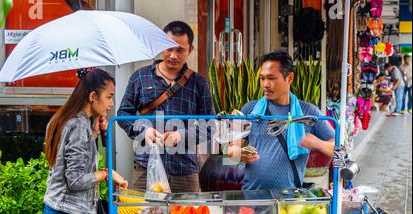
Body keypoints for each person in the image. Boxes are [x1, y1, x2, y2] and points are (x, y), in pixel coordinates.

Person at [43, 68, 128, 214]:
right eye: (108, 97)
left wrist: (97, 132)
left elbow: (68, 161)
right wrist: (106, 174)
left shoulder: (61, 119)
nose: (110, 104)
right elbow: (76, 180)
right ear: (92, 96)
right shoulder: (78, 126)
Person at [117, 20, 215, 193]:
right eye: (169, 48)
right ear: (160, 45)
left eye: (180, 50)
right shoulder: (139, 77)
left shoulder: (199, 84)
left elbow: (210, 126)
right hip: (145, 167)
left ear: (190, 50)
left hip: (184, 171)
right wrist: (143, 130)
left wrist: (181, 135)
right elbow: (123, 114)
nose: (173, 55)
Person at [228, 50, 335, 190]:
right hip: (252, 195)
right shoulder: (250, 110)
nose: (265, 84)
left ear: (289, 78)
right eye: (262, 78)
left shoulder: (308, 112)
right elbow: (231, 150)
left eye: (271, 78)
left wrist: (317, 143)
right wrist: (240, 154)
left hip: (290, 200)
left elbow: (337, 146)